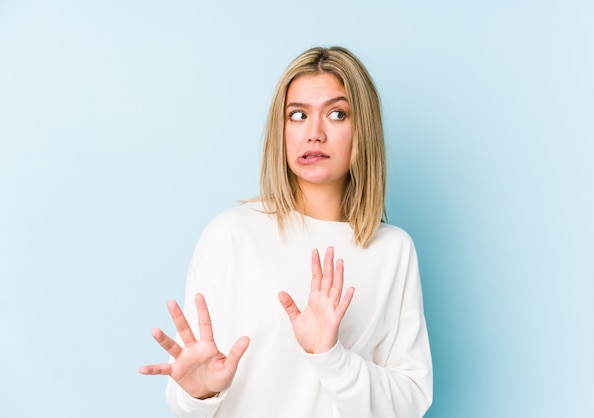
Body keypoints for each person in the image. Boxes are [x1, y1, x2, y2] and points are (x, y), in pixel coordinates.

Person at [139, 46, 433, 418]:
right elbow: (189, 396)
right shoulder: (232, 234)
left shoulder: (392, 250)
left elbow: (410, 402)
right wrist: (198, 394)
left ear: (363, 130)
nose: (314, 134)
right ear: (282, 130)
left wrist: (331, 357)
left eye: (337, 114)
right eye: (297, 115)